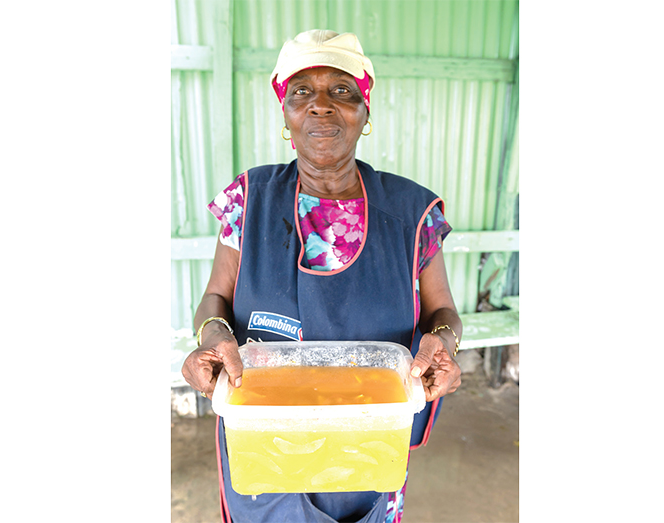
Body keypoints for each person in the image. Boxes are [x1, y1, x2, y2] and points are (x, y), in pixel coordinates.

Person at [181, 29, 462, 523]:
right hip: (263, 437)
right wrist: (212, 336)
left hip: (369, 441)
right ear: (285, 115)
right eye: (302, 92)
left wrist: (442, 343)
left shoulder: (412, 212)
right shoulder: (250, 200)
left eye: (342, 91)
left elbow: (444, 313)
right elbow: (214, 299)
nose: (321, 106)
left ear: (365, 113)